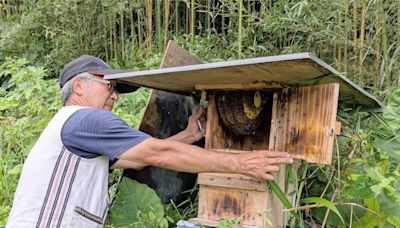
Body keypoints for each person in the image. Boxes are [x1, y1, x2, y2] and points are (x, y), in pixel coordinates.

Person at [6, 55, 293, 227]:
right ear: (79, 86)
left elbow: (137, 157)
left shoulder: (73, 125)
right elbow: (158, 154)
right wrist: (245, 162)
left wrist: (190, 136)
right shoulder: (86, 119)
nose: (115, 96)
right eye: (110, 86)